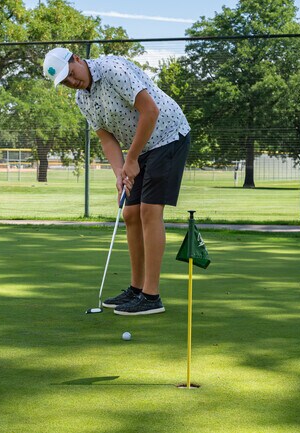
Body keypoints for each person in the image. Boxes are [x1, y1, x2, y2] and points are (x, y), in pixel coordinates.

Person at [43, 47, 191, 316]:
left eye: (71, 74)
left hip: (168, 135)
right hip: (141, 147)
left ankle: (151, 295)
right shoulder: (81, 99)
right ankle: (136, 289)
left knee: (149, 210)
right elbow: (106, 138)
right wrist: (120, 173)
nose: (72, 82)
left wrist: (131, 160)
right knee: (130, 213)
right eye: (65, 81)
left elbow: (150, 111)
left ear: (77, 59)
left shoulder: (113, 70)